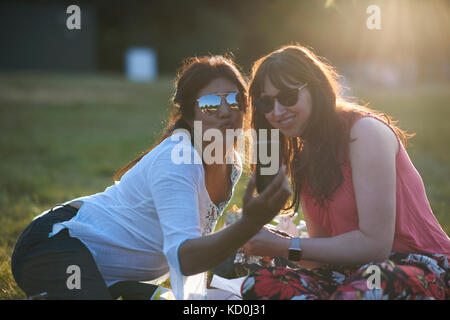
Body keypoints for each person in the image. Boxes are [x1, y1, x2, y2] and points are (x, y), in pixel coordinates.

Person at [10, 55, 292, 300]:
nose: (224, 112)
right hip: (56, 244)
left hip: (114, 276)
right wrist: (248, 225)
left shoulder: (232, 166)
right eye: (209, 104)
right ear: (190, 114)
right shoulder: (176, 160)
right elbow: (185, 257)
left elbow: (192, 245)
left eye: (235, 100)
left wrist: (248, 237)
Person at [241, 44, 450, 300]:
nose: (276, 112)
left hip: (419, 268)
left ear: (316, 89)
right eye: (265, 102)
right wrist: (271, 243)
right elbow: (323, 260)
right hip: (353, 276)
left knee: (368, 287)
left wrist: (285, 246)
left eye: (287, 97)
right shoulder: (305, 155)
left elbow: (375, 247)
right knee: (261, 284)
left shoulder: (364, 133)